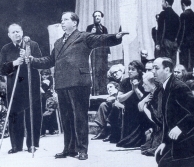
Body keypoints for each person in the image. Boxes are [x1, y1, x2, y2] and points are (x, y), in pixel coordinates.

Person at [27, 12, 127, 160]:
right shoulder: (58, 42)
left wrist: (115, 37)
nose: (62, 22)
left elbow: (100, 39)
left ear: (75, 23)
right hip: (62, 83)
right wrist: (33, 60)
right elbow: (50, 60)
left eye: (65, 19)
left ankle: (82, 149)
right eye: (61, 20)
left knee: (79, 117)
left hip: (79, 82)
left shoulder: (83, 36)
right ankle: (69, 148)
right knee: (66, 118)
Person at [0, 23, 42, 154]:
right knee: (15, 115)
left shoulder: (32, 45)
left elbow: (40, 62)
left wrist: (30, 60)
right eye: (13, 32)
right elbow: (0, 69)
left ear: (22, 32)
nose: (17, 34)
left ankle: (32, 144)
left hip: (30, 85)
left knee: (33, 114)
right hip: (14, 87)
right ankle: (16, 145)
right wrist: (14, 63)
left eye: (18, 31)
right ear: (9, 35)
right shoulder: (6, 49)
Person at [153, 57, 194, 167]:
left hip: (192, 136)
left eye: (156, 68)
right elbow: (166, 119)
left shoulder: (178, 87)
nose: (153, 71)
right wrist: (164, 142)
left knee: (164, 164)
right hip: (177, 138)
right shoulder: (165, 86)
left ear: (167, 70)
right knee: (160, 156)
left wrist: (181, 127)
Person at [116, 60, 149, 148]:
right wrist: (132, 90)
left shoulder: (144, 81)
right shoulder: (125, 81)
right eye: (129, 69)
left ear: (139, 71)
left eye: (132, 69)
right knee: (125, 143)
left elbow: (144, 98)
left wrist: (137, 88)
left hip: (141, 111)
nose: (129, 71)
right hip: (129, 110)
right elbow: (119, 98)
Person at [138, 72, 163, 156]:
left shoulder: (159, 94)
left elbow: (157, 118)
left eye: (145, 84)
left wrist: (145, 108)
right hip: (154, 126)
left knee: (152, 149)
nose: (142, 86)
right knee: (146, 147)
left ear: (152, 85)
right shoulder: (150, 93)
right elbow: (139, 108)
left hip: (161, 126)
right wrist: (144, 101)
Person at [86, 11, 110, 95]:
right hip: (95, 53)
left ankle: (103, 91)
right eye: (95, 16)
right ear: (93, 18)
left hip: (104, 53)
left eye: (99, 16)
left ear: (101, 17)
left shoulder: (104, 28)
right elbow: (87, 40)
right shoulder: (89, 28)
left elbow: (107, 41)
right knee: (96, 71)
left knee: (104, 70)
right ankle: (96, 92)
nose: (97, 17)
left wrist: (108, 53)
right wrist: (91, 33)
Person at [177, 0, 194, 71]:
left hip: (184, 44)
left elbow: (181, 31)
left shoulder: (183, 15)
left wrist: (179, 45)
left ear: (183, 4)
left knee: (184, 65)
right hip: (193, 43)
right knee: (193, 64)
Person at [156, 0, 180, 64]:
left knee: (165, 62)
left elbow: (160, 30)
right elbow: (179, 31)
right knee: (173, 62)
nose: (161, 4)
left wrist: (158, 43)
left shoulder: (162, 14)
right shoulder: (177, 16)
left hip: (165, 42)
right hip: (174, 43)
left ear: (166, 3)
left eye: (162, 2)